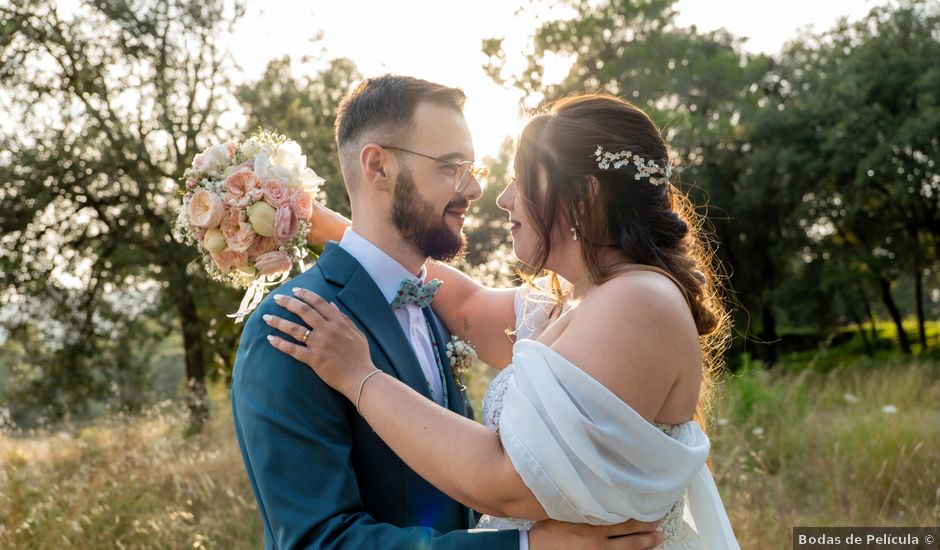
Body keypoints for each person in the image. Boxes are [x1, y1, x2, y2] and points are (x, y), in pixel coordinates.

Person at [266, 93, 740, 548]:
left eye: (521, 179)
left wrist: (359, 375)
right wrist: (330, 226)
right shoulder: (576, 299)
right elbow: (468, 306)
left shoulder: (636, 302)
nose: (503, 199)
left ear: (583, 196)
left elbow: (508, 478)